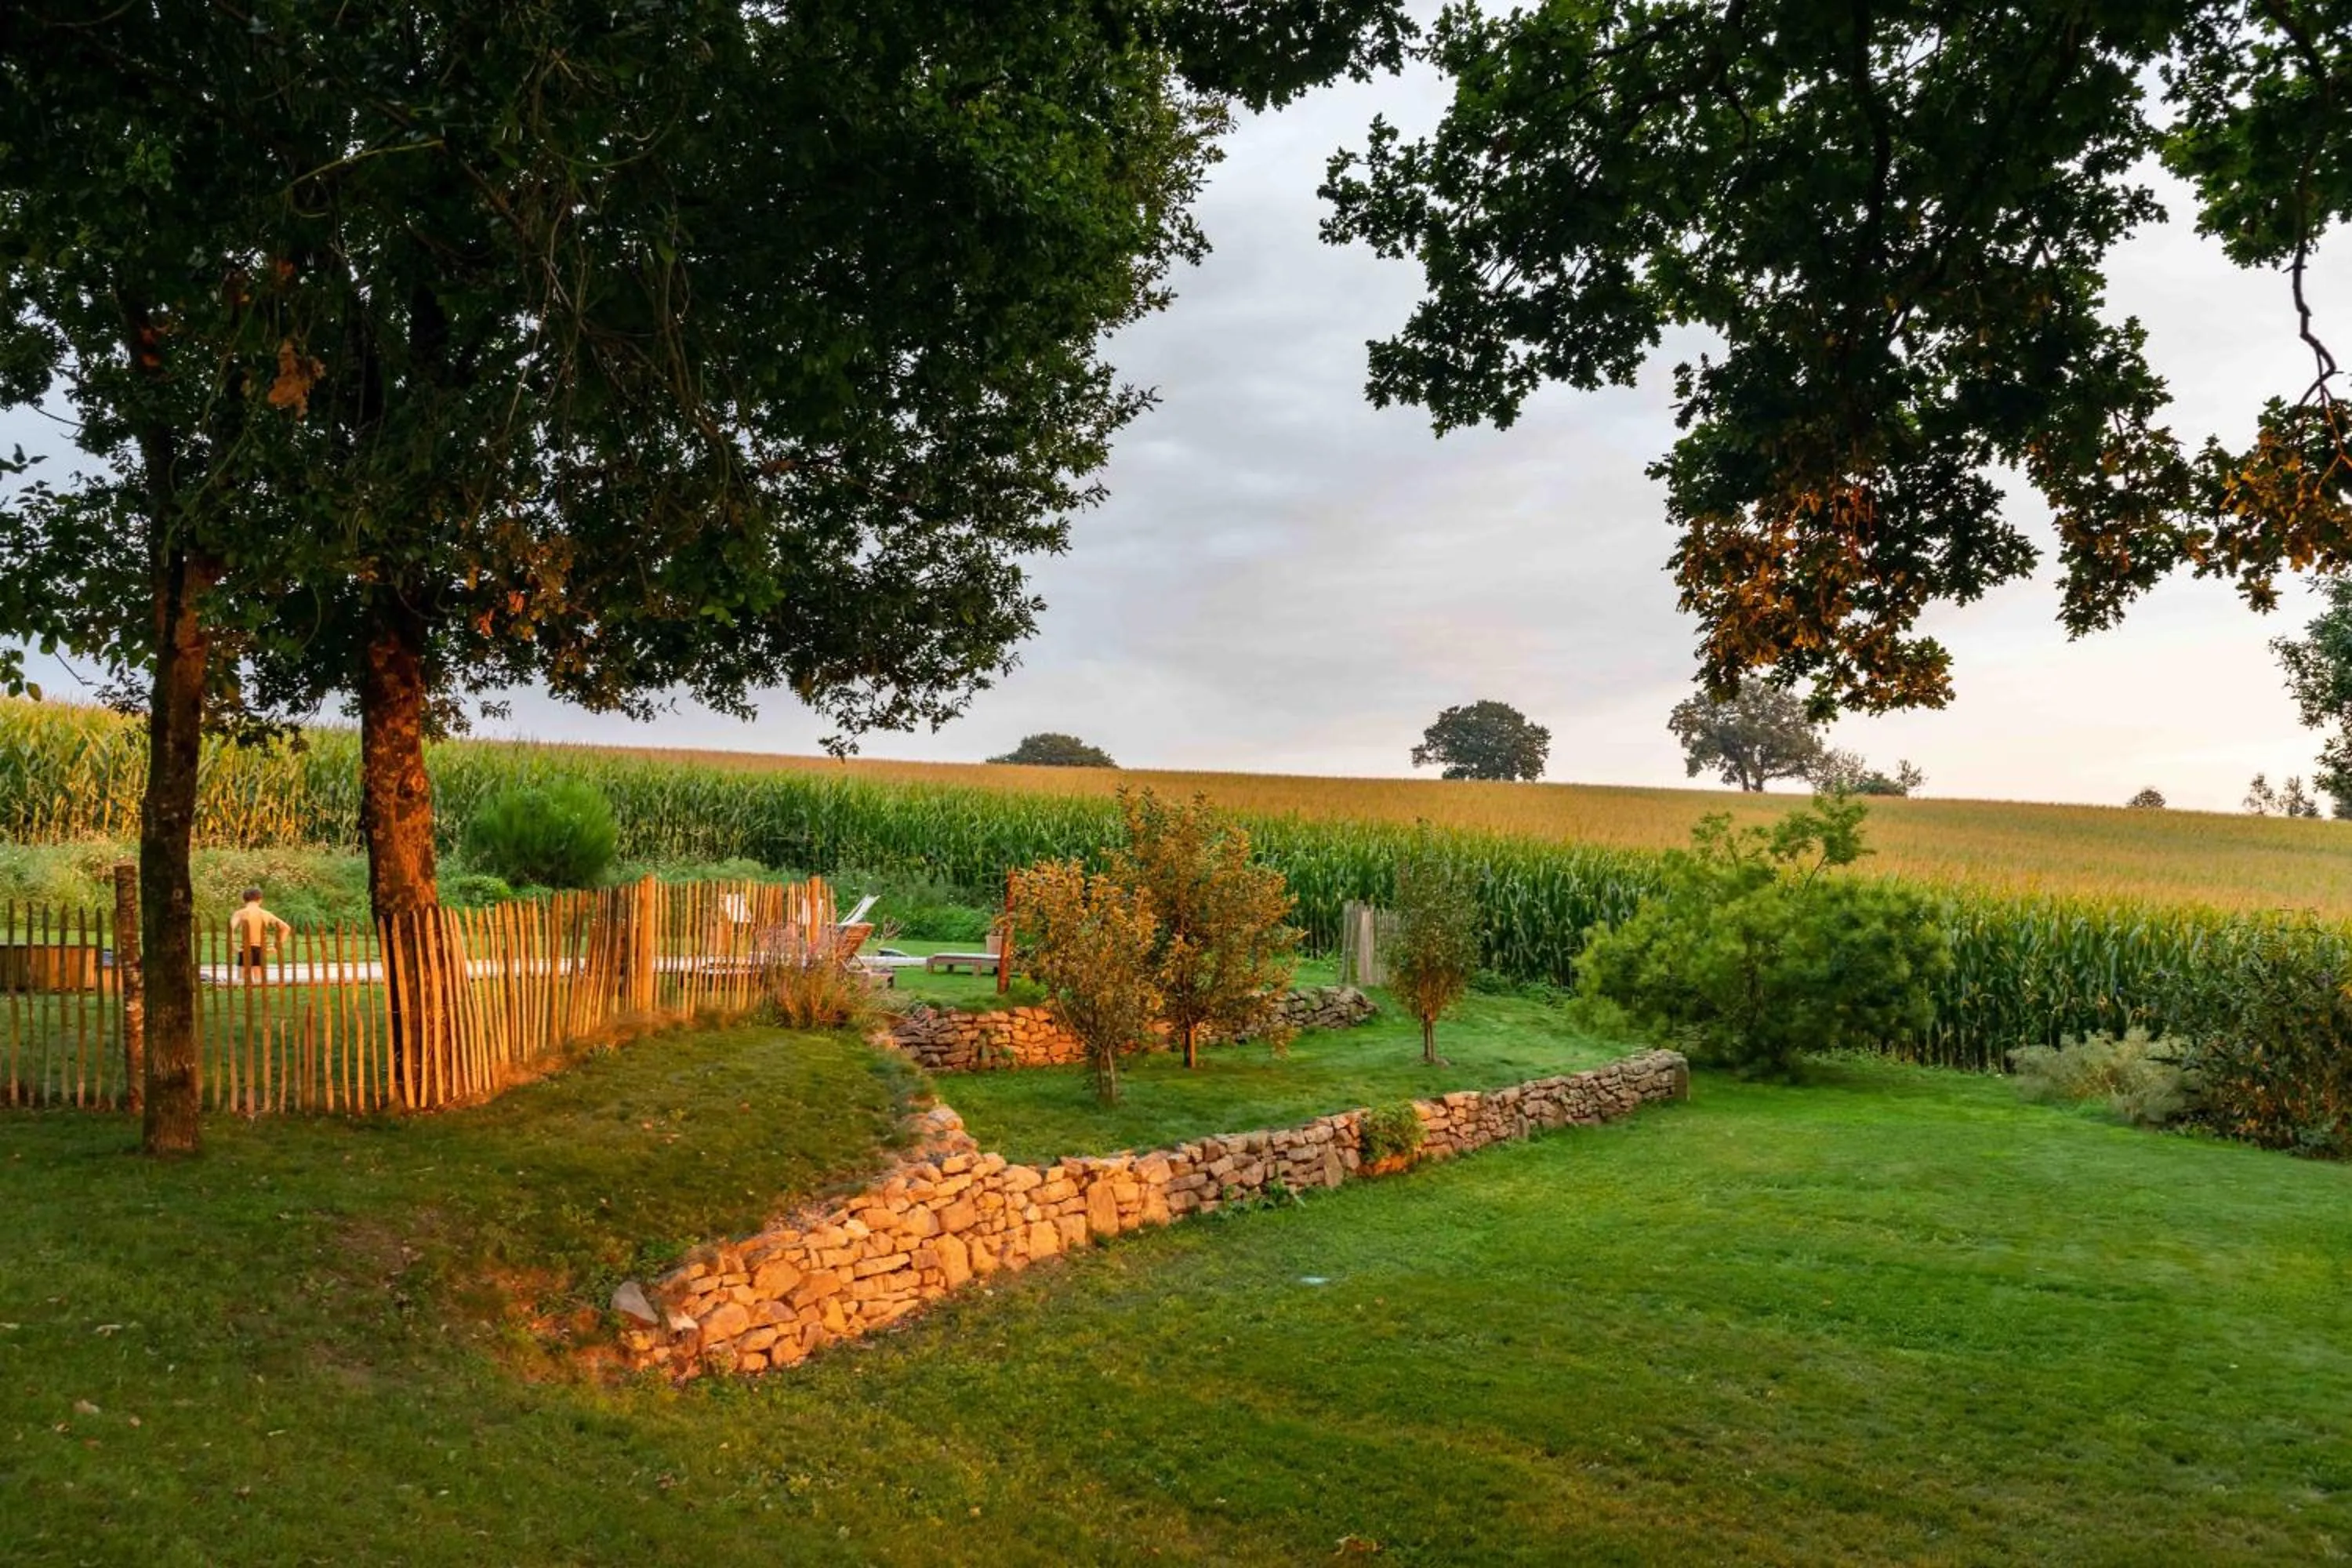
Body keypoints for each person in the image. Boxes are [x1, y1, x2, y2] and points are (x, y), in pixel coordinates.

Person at [230, 887, 291, 981]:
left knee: (242, 982)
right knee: (260, 982)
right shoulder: (266, 914)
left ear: (244, 900)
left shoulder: (240, 913)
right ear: (260, 900)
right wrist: (277, 946)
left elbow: (230, 929)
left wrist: (233, 946)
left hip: (245, 949)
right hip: (260, 949)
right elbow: (286, 928)